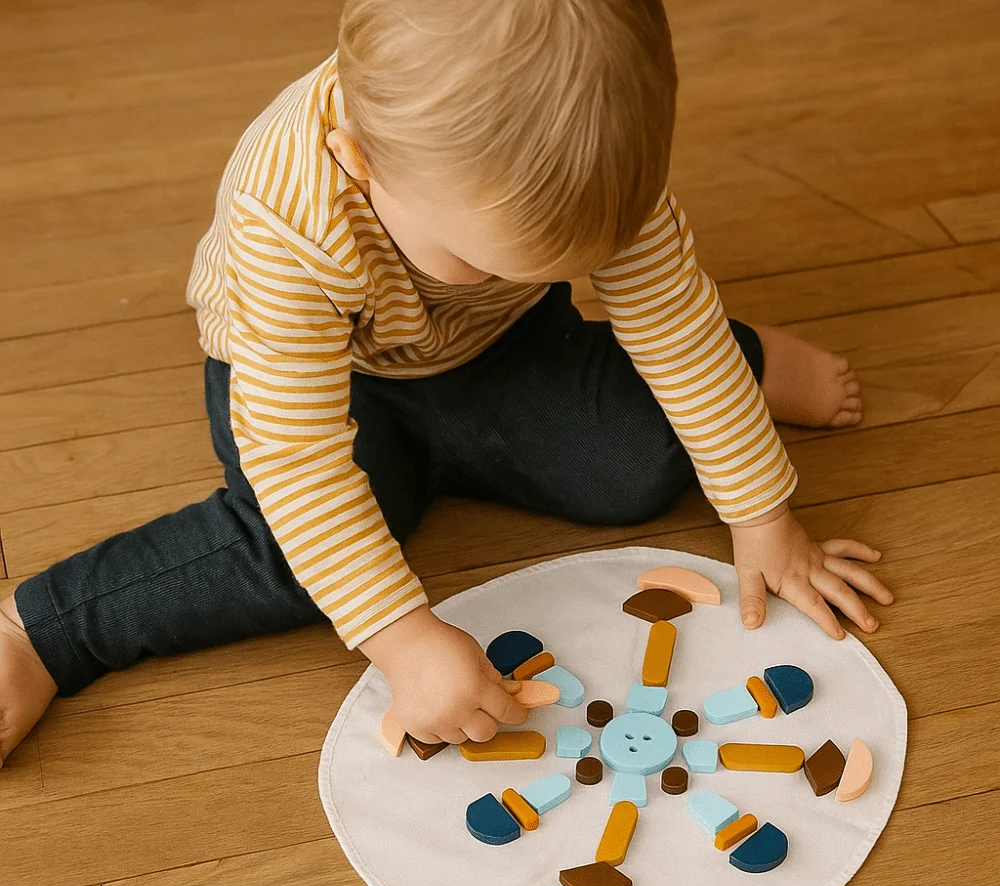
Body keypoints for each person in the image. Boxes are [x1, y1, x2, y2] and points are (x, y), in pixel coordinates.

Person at [0, 0, 893, 769]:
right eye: (486, 256)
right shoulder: (284, 215)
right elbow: (301, 461)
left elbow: (666, 316)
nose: (573, 262)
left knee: (641, 464)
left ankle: (749, 359)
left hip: (497, 342)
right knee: (292, 554)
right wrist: (404, 638)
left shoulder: (595, 158)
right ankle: (43, 632)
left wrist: (762, 515)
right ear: (360, 162)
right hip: (328, 389)